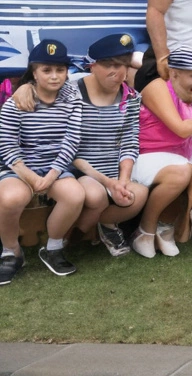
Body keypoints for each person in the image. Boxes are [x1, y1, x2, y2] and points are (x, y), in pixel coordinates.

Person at [0, 41, 84, 281]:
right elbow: (6, 145)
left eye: (60, 69)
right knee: (10, 198)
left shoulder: (72, 96)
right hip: (20, 168)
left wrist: (51, 175)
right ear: (34, 72)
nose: (55, 76)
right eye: (46, 70)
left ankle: (53, 247)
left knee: (74, 195)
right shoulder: (15, 101)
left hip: (55, 167)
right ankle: (11, 252)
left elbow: (72, 140)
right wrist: (31, 177)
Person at [59, 35, 148, 257]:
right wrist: (108, 182)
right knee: (96, 195)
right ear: (93, 65)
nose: (118, 73)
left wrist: (123, 181)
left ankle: (105, 226)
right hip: (76, 168)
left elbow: (129, 140)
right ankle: (65, 242)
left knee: (138, 195)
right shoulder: (70, 92)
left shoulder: (131, 97)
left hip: (112, 171)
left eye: (124, 66)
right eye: (110, 65)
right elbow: (66, 145)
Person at [134, 48, 192, 255]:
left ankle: (176, 224)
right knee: (183, 172)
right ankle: (145, 230)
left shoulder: (188, 93)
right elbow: (183, 130)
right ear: (173, 73)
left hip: (178, 154)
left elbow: (191, 134)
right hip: (148, 154)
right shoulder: (156, 86)